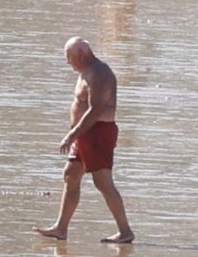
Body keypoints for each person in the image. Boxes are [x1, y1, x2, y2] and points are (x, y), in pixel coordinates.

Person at [34, 38, 134, 244]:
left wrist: (72, 134)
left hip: (98, 132)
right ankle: (61, 228)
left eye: (68, 56)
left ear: (81, 54)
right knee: (70, 175)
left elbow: (96, 108)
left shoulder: (100, 72)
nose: (67, 61)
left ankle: (125, 231)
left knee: (103, 182)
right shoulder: (84, 72)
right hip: (84, 133)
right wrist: (76, 132)